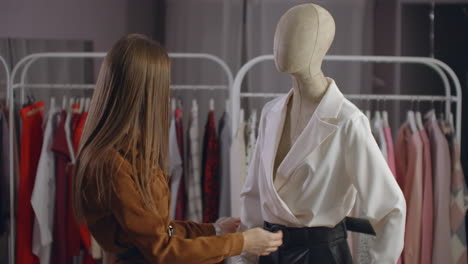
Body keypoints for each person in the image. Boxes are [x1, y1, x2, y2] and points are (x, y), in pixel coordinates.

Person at [72, 34, 282, 264]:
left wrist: (213, 230)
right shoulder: (113, 163)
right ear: (147, 90)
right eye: (164, 83)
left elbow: (161, 231)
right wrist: (241, 243)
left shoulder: (126, 153)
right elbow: (162, 249)